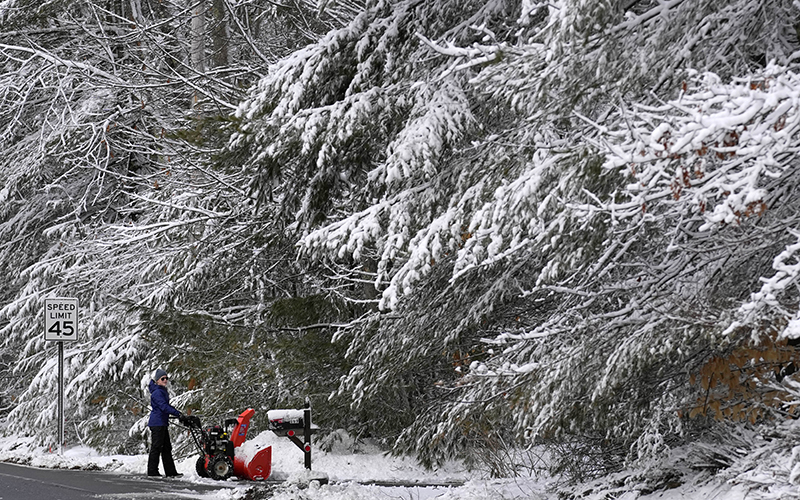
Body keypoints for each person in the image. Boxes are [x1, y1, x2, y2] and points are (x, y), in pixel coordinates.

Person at [147, 368, 183, 477]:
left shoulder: (161, 390)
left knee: (166, 447)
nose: (165, 380)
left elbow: (164, 407)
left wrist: (178, 414)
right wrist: (178, 414)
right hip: (157, 423)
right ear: (157, 380)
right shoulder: (157, 392)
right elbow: (164, 407)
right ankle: (152, 472)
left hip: (162, 422)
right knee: (156, 447)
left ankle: (171, 472)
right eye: (163, 378)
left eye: (166, 378)